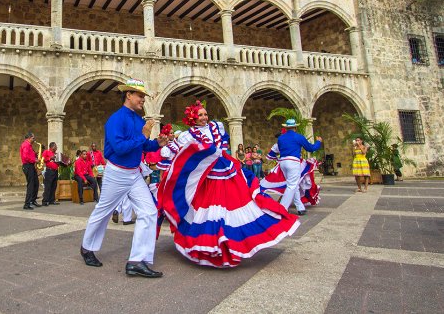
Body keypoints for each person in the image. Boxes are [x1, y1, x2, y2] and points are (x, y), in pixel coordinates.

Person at [159, 101, 300, 268]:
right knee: (211, 209)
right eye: (200, 115)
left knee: (234, 203)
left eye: (205, 114)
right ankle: (213, 243)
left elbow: (222, 145)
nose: (204, 117)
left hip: (226, 170)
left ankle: (230, 241)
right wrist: (166, 145)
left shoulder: (216, 127)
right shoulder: (187, 135)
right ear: (193, 118)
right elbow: (170, 151)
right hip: (208, 177)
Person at [80, 78, 168, 278]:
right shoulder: (116, 119)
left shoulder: (138, 120)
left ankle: (137, 261)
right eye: (140, 95)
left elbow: (143, 147)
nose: (143, 99)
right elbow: (119, 148)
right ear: (128, 95)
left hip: (134, 174)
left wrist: (157, 143)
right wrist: (144, 136)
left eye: (143, 96)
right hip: (116, 173)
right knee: (103, 211)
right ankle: (87, 248)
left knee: (149, 212)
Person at [277, 119, 323, 214]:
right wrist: (318, 142)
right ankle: (282, 208)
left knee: (294, 185)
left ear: (286, 127)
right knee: (292, 185)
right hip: (293, 162)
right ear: (295, 127)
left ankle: (300, 207)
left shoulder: (281, 138)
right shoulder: (298, 137)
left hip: (283, 162)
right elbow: (311, 148)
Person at [19, 132, 41, 210]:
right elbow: (25, 157)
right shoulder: (26, 145)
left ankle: (33, 200)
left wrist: (36, 154)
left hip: (31, 166)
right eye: (33, 138)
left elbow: (29, 155)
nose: (34, 139)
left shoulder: (29, 146)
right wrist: (35, 160)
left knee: (36, 183)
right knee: (31, 185)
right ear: (29, 138)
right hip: (28, 166)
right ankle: (27, 204)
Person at [41, 142, 60, 206]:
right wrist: (50, 158)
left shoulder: (57, 154)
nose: (57, 147)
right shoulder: (46, 152)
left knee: (54, 186)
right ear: (52, 147)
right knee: (48, 186)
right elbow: (43, 159)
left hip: (55, 171)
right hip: (49, 171)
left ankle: (52, 200)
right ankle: (45, 201)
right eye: (56, 146)